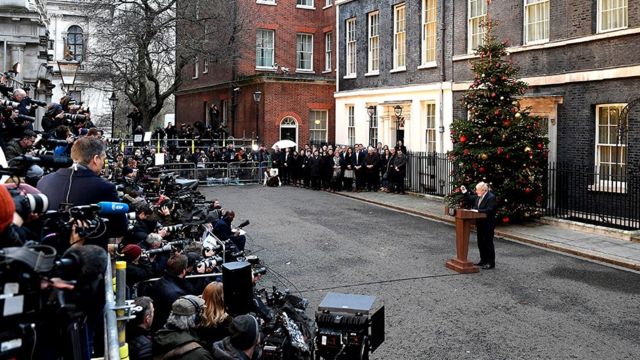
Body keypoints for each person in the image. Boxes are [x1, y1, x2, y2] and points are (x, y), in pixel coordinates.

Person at [37, 136, 127, 249]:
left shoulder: (44, 181)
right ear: (95, 159)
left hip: (47, 252)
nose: (103, 163)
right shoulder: (104, 187)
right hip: (87, 256)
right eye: (103, 159)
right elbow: (120, 228)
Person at [146, 254, 196, 331]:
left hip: (158, 326)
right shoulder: (177, 294)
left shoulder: (159, 282)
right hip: (168, 330)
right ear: (183, 271)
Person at [154, 295, 214, 360]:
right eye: (201, 313)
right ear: (196, 319)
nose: (203, 315)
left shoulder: (159, 336)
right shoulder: (201, 355)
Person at [462, 182, 497, 269]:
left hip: (488, 224)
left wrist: (477, 211)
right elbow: (470, 199)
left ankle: (490, 262)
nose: (476, 191)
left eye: (477, 189)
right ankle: (483, 260)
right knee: (480, 243)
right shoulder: (478, 196)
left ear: (483, 190)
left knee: (488, 243)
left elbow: (489, 210)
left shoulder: (491, 197)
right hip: (480, 224)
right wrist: (465, 192)